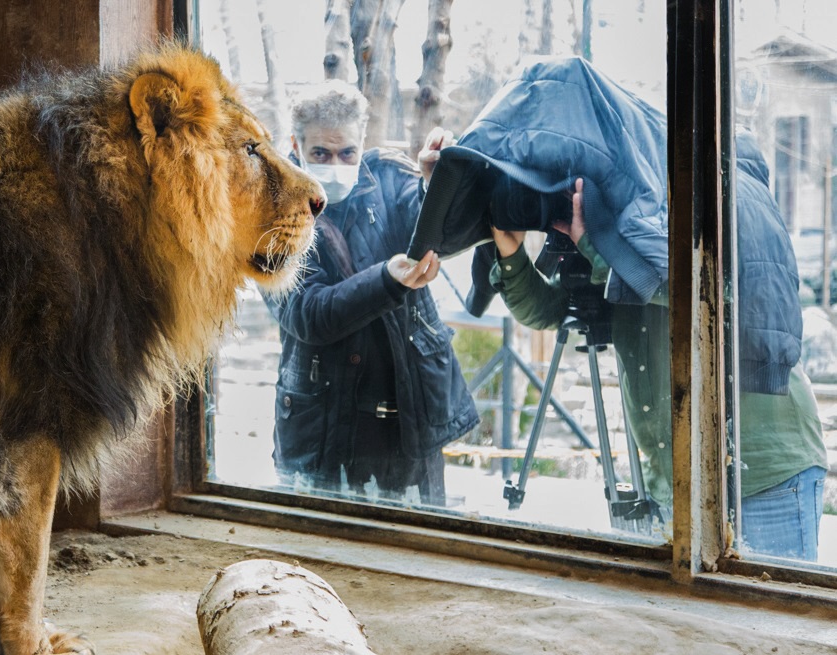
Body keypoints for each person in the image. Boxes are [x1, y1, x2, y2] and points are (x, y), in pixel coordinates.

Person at [480, 131, 828, 560]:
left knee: (768, 620)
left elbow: (703, 290)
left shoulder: (692, 206)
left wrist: (597, 240)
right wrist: (509, 248)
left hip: (763, 473)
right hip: (673, 480)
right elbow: (551, 311)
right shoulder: (615, 234)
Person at [263, 80, 479, 506]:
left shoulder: (387, 177)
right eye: (320, 154)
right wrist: (386, 279)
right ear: (295, 145)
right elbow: (308, 312)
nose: (336, 164)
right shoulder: (272, 212)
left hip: (408, 424)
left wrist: (436, 185)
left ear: (363, 143)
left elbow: (438, 234)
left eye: (347, 153)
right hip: (323, 430)